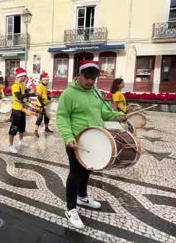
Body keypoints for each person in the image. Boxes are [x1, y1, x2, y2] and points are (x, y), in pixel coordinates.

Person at [56, 60, 125, 229]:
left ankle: (82, 196)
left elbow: (103, 112)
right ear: (79, 75)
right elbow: (62, 116)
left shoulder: (95, 92)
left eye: (94, 78)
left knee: (88, 169)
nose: (90, 82)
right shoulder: (68, 94)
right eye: (87, 78)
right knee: (75, 173)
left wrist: (117, 116)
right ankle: (71, 208)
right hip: (76, 142)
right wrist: (68, 136)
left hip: (95, 139)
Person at [8, 67, 35, 154]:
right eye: (25, 76)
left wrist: (35, 94)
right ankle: (10, 146)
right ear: (21, 76)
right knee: (14, 127)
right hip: (16, 110)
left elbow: (27, 94)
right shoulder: (15, 86)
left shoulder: (23, 85)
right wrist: (29, 93)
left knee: (22, 127)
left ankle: (21, 140)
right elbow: (19, 97)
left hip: (23, 109)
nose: (26, 78)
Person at [33, 72, 53, 137]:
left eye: (48, 80)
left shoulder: (45, 86)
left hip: (45, 104)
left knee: (47, 117)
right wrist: (43, 105)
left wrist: (50, 99)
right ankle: (35, 131)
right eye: (46, 80)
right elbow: (39, 97)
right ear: (42, 80)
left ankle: (46, 128)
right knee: (40, 118)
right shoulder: (39, 86)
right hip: (40, 105)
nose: (47, 81)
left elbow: (45, 95)